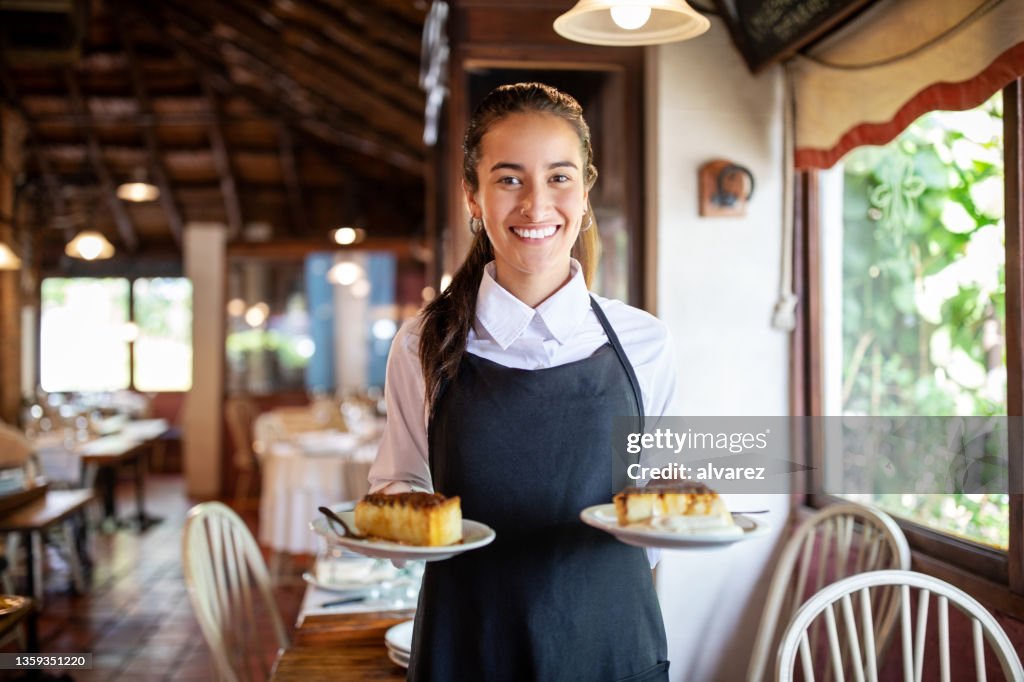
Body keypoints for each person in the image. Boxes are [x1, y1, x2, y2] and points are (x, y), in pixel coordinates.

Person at [369, 82, 678, 682]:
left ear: (586, 194)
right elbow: (400, 483)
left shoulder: (646, 344)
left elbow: (654, 504)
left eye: (560, 178)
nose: (537, 205)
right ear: (473, 197)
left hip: (611, 643)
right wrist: (383, 513)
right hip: (467, 641)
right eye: (509, 179)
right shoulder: (422, 343)